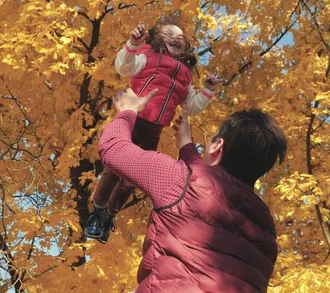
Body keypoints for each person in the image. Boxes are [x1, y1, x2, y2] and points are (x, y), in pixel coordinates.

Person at [98, 88, 287, 293]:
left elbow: (113, 148)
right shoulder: (266, 227)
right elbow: (208, 195)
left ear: (217, 146)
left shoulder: (178, 180)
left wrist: (128, 111)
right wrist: (186, 146)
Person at [84, 17, 220, 243]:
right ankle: (97, 212)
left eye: (181, 38)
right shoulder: (147, 57)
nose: (177, 39)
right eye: (170, 35)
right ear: (158, 39)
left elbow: (192, 107)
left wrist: (207, 90)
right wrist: (133, 44)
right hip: (133, 119)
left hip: (154, 131)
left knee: (132, 179)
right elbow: (124, 67)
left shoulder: (184, 76)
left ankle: (109, 215)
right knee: (114, 168)